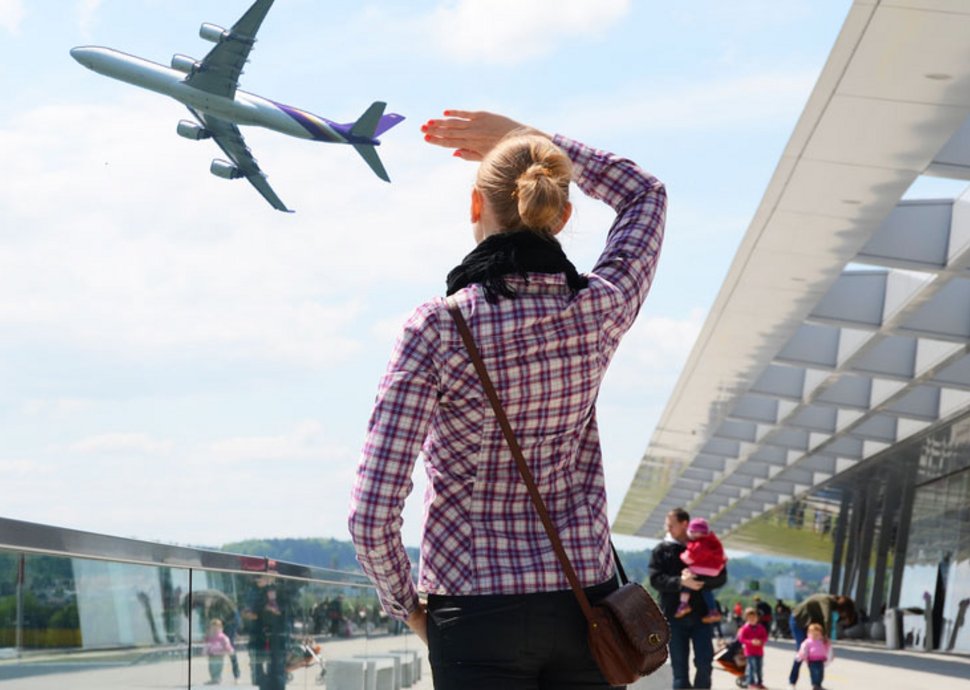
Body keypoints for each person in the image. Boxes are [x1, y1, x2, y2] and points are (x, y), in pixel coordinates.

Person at [349, 109, 667, 690]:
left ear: (476, 206)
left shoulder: (438, 328)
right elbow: (644, 195)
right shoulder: (597, 309)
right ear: (563, 214)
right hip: (584, 606)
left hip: (472, 612)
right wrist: (535, 138)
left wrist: (411, 609)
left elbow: (371, 514)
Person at [649, 508, 727, 689]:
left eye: (671, 525)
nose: (667, 529)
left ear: (684, 524)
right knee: (679, 670)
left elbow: (722, 576)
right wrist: (680, 582)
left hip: (702, 617)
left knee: (705, 664)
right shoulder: (661, 550)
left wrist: (700, 582)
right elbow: (655, 579)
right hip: (673, 618)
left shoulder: (706, 545)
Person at [787, 593, 856, 689]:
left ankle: (816, 684)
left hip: (809, 622)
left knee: (814, 654)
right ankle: (792, 682)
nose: (841, 615)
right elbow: (827, 618)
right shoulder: (827, 601)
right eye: (843, 613)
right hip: (798, 620)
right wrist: (826, 636)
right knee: (802, 651)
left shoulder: (829, 601)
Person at [676, 518, 726, 623]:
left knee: (688, 580)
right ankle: (713, 610)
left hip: (700, 568)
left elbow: (689, 558)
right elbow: (722, 556)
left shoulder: (697, 544)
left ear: (694, 532)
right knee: (705, 589)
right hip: (715, 570)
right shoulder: (713, 541)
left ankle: (684, 603)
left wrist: (681, 556)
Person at [736, 607, 767, 689]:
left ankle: (759, 682)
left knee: (759, 668)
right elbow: (741, 639)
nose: (752, 619)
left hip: (759, 651)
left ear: (757, 618)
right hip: (749, 652)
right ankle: (751, 682)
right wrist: (751, 642)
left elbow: (765, 637)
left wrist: (761, 641)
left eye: (754, 617)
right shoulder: (745, 628)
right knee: (751, 667)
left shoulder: (761, 628)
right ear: (746, 619)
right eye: (750, 618)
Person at [796, 622, 833, 690]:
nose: (815, 636)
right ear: (809, 634)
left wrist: (829, 654)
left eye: (817, 634)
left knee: (820, 673)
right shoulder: (808, 642)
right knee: (814, 673)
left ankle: (818, 684)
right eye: (813, 634)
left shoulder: (822, 641)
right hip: (812, 660)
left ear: (821, 634)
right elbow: (803, 649)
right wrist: (801, 656)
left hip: (821, 660)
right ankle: (815, 685)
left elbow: (827, 648)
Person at [204, 618, 235, 685]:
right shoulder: (209, 636)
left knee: (218, 667)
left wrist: (230, 650)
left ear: (220, 628)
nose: (214, 630)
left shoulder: (222, 637)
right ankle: (213, 678)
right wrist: (205, 652)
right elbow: (207, 645)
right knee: (211, 667)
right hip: (211, 655)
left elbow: (227, 644)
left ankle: (217, 678)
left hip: (219, 654)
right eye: (213, 628)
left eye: (216, 628)